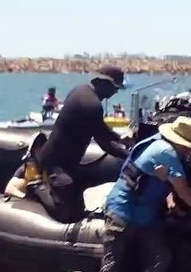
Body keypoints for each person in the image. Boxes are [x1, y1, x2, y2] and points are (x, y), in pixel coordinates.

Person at [95, 116, 191, 272]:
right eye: (187, 147)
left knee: (160, 258)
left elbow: (154, 178)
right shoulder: (166, 152)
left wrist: (170, 198)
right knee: (112, 262)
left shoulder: (154, 141)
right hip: (122, 211)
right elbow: (185, 191)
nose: (188, 152)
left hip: (145, 216)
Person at [30, 67, 132, 223]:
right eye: (115, 88)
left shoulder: (81, 91)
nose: (116, 92)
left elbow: (100, 128)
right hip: (56, 163)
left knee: (79, 199)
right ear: (102, 83)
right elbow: (106, 145)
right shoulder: (91, 104)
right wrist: (131, 156)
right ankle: (37, 186)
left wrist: (119, 138)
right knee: (67, 215)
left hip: (67, 161)